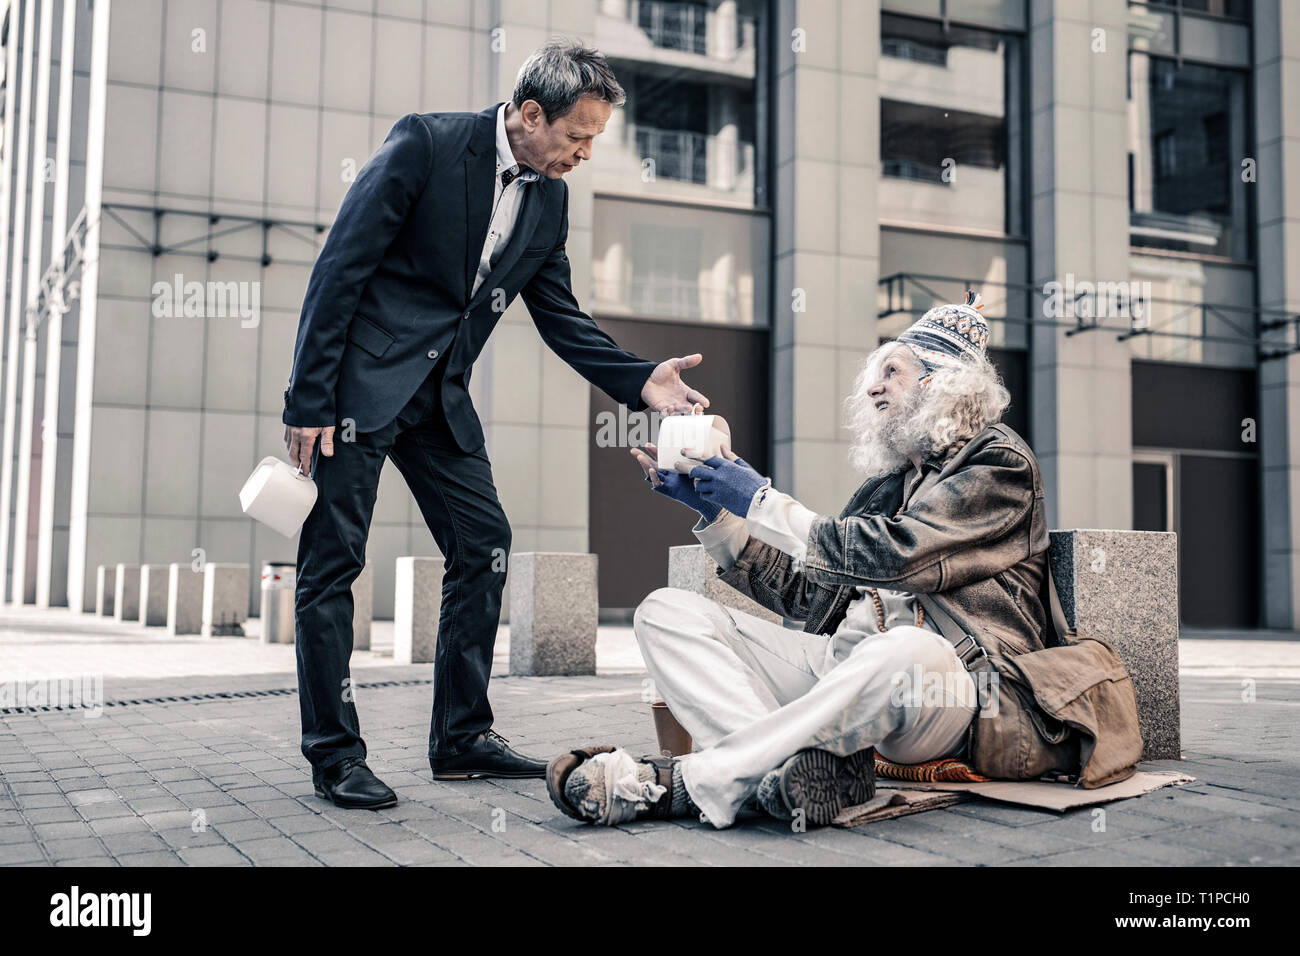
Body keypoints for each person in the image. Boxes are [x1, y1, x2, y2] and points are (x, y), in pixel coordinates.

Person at [282, 40, 709, 810]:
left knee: (484, 546)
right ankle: (335, 753)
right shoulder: (427, 144)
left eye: (593, 142)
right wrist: (308, 401)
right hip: (358, 389)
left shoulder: (549, 198)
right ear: (530, 113)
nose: (583, 155)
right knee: (332, 565)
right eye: (577, 137)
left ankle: (460, 737)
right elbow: (338, 270)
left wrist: (642, 379)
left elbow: (560, 316)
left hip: (439, 399)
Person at [547, 293, 1058, 828]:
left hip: (944, 691)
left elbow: (897, 555)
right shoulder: (885, 487)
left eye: (892, 371)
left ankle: (681, 783)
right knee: (663, 611)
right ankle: (788, 775)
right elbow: (807, 594)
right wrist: (719, 513)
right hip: (842, 673)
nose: (872, 386)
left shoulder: (999, 462)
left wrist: (759, 499)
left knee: (905, 648)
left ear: (941, 383)